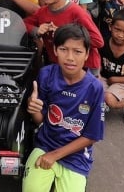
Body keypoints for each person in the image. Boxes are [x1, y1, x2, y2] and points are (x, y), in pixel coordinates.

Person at [23, 24, 105, 192]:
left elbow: (91, 136)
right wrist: (34, 110)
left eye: (77, 51)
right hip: (45, 145)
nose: (70, 57)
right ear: (54, 50)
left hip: (76, 156)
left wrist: (55, 155)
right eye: (63, 49)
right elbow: (41, 121)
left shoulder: (95, 88)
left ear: (87, 54)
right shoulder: (46, 74)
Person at [23, 0, 104, 73]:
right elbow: (24, 23)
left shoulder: (77, 12)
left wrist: (64, 33)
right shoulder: (42, 12)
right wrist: (36, 30)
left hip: (85, 66)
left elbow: (98, 41)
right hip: (59, 64)